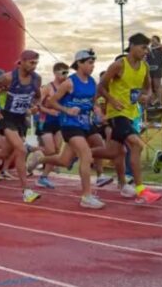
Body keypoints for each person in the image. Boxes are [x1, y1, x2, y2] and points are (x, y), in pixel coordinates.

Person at [31, 50, 106, 209]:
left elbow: (93, 102)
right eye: (89, 63)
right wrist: (67, 110)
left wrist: (98, 112)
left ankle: (39, 159)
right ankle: (86, 196)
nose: (92, 66)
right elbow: (51, 101)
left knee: (63, 161)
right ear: (79, 63)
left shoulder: (92, 82)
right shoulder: (69, 83)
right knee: (86, 154)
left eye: (93, 63)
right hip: (69, 125)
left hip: (85, 124)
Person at [98, 33, 161, 204]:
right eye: (143, 47)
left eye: (147, 48)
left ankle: (81, 153)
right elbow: (101, 86)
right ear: (132, 46)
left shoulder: (145, 67)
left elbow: (148, 88)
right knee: (137, 144)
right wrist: (111, 99)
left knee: (112, 152)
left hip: (132, 113)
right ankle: (141, 190)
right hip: (117, 113)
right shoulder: (118, 65)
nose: (146, 51)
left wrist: (146, 96)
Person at [0, 50, 42, 204]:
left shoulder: (37, 79)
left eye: (36, 63)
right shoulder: (8, 78)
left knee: (5, 152)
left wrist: (34, 107)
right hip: (7, 117)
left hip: (21, 118)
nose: (34, 66)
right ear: (21, 61)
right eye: (31, 62)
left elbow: (37, 97)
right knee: (21, 149)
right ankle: (26, 191)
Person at [147, 35, 162, 109]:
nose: (152, 41)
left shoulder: (160, 49)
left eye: (154, 40)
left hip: (158, 69)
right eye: (152, 40)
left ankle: (159, 103)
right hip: (149, 70)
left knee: (158, 86)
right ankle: (151, 103)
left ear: (158, 40)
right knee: (150, 87)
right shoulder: (149, 49)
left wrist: (158, 44)